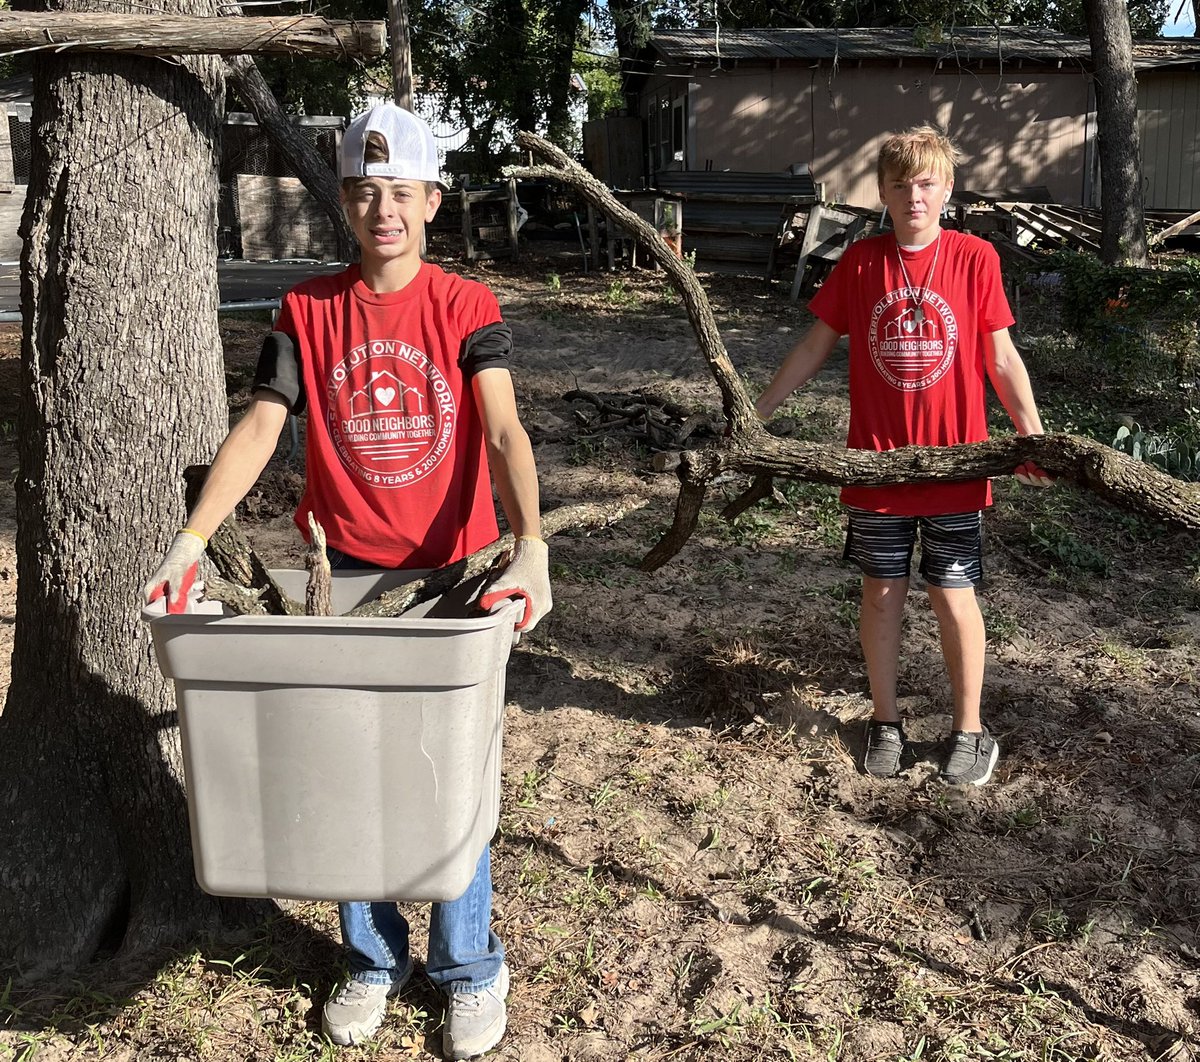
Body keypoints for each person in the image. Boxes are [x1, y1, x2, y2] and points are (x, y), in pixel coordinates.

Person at [143, 102, 550, 1059]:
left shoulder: (466, 307)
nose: (383, 210)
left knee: (452, 779)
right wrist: (194, 536)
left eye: (401, 193)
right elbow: (259, 426)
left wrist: (530, 541)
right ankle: (372, 958)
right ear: (346, 202)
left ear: (432, 202)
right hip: (349, 575)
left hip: (454, 576)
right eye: (366, 193)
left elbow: (501, 429)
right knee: (342, 768)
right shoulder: (306, 309)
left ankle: (466, 967)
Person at [756, 125, 1050, 787]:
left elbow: (1001, 357)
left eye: (926, 183)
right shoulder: (861, 263)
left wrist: (1031, 433)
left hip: (955, 468)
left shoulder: (975, 258)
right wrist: (759, 411)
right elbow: (814, 344)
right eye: (900, 185)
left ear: (946, 189)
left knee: (953, 594)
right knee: (882, 594)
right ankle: (884, 723)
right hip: (877, 468)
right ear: (883, 193)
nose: (914, 196)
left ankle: (969, 731)